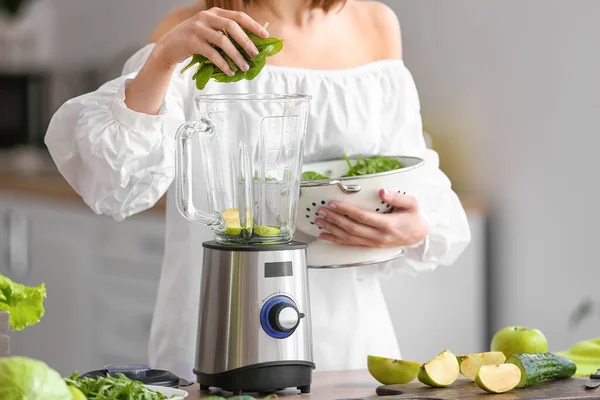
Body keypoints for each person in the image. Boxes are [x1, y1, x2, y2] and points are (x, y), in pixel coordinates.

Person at [45, 0, 471, 382]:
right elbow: (117, 179)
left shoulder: (377, 23)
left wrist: (417, 227)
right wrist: (165, 57)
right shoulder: (192, 28)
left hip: (349, 340)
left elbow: (411, 170)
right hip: (218, 329)